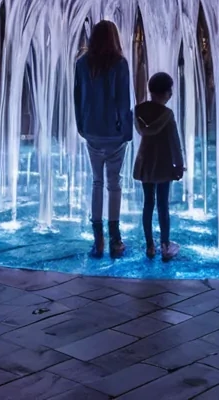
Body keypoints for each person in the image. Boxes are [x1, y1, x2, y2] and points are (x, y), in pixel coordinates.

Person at [73, 20, 133, 259]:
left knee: (97, 182)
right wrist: (126, 131)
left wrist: (81, 125)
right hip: (113, 132)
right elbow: (123, 100)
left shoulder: (81, 64)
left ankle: (97, 239)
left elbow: (77, 96)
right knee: (114, 183)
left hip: (91, 130)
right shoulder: (120, 64)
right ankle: (115, 239)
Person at [133, 71, 184, 261]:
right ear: (166, 93)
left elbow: (141, 133)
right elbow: (174, 141)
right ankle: (165, 244)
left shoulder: (139, 111)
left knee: (148, 204)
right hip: (162, 164)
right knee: (163, 205)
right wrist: (179, 164)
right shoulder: (167, 115)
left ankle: (149, 246)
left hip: (145, 162)